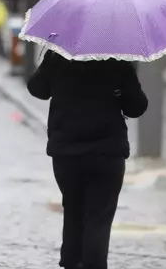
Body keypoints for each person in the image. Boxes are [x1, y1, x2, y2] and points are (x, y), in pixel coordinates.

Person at [27, 50, 148, 269]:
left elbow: (37, 89)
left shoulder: (58, 56)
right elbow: (137, 106)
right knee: (98, 217)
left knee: (73, 210)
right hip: (106, 155)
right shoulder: (117, 61)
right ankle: (94, 264)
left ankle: (72, 263)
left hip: (67, 154)